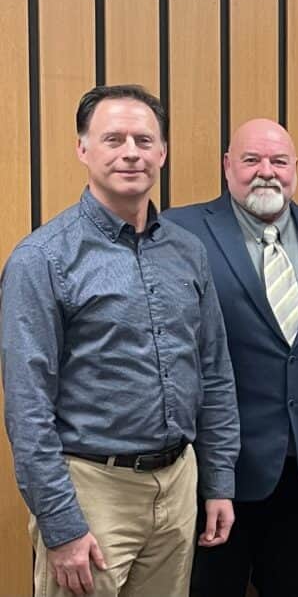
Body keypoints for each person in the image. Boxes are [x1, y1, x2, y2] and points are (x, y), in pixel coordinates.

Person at [0, 84, 240, 596]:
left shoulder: (188, 252)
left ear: (163, 153)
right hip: (91, 489)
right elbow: (27, 405)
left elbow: (214, 372)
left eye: (143, 140)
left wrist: (219, 481)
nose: (131, 152)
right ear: (83, 149)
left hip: (178, 482)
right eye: (113, 139)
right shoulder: (41, 259)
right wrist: (62, 526)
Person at [164, 118, 298, 596]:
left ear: (295, 168)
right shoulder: (180, 231)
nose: (266, 172)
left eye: (279, 161)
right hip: (216, 467)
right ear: (226, 166)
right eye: (251, 159)